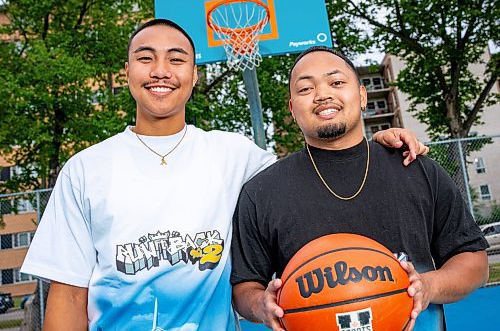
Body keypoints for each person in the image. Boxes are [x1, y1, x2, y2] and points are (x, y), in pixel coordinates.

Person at [21, 20, 426, 331]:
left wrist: (371, 143)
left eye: (177, 59)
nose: (161, 70)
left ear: (194, 75)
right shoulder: (85, 169)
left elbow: (312, 169)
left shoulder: (232, 154)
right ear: (127, 72)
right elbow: (70, 295)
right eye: (146, 58)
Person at [230, 46, 489, 331]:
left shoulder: (416, 168)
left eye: (337, 82)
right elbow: (245, 287)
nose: (323, 94)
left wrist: (428, 285)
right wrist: (261, 305)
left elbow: (474, 262)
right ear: (292, 109)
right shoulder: (261, 192)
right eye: (305, 89)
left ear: (363, 95)